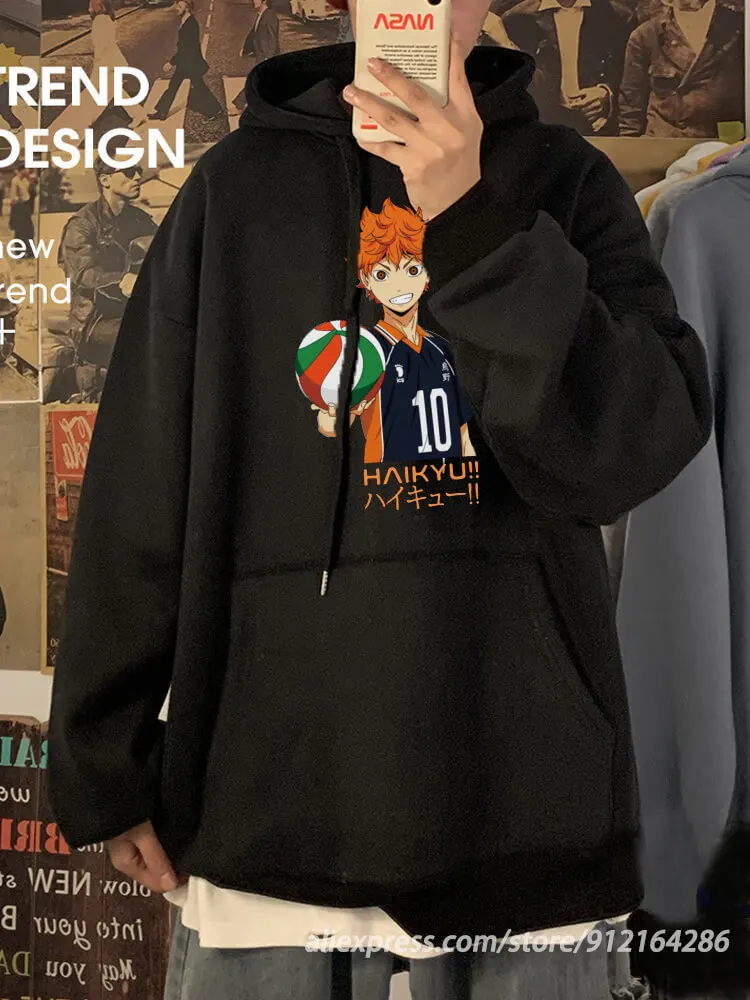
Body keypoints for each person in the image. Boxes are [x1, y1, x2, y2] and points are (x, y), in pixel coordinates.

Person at [47, 0, 712, 996]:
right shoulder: (236, 189)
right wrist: (104, 752)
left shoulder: (568, 180)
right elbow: (143, 476)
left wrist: (470, 219)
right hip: (272, 800)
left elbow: (631, 449)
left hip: (525, 804)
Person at [311, 198, 475, 463]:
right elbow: (334, 425)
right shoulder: (367, 350)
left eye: (412, 269)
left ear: (427, 273)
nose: (399, 285)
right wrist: (329, 416)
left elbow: (463, 435)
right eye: (382, 274)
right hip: (391, 482)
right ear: (366, 280)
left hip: (450, 480)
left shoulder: (442, 348)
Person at [44, 159, 156, 401]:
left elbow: (165, 253)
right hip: (94, 319)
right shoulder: (82, 224)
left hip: (134, 309)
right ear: (105, 180)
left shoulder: (140, 220)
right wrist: (122, 280)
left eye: (138, 171)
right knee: (147, 336)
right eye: (129, 172)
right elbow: (83, 274)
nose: (137, 177)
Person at [499, 0, 635, 134]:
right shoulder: (517, 19)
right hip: (543, 129)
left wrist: (606, 92)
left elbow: (629, 76)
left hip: (599, 129)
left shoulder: (618, 16)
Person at [618, 0, 744, 137]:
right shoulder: (645, 35)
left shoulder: (741, 28)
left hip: (723, 144)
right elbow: (631, 113)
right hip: (664, 143)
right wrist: (630, 147)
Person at [149, 0, 222, 122]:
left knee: (199, 88)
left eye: (180, 6)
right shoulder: (186, 21)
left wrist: (171, 62)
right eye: (177, 5)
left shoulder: (190, 24)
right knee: (173, 86)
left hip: (191, 64)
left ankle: (215, 110)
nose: (176, 8)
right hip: (186, 63)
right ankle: (161, 112)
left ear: (187, 8)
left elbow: (185, 48)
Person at [233, 0, 281, 114]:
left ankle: (239, 105)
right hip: (262, 55)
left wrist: (267, 58)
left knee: (255, 81)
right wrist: (246, 50)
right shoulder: (261, 15)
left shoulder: (270, 16)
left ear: (264, 1)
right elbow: (254, 34)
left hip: (266, 56)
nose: (253, 1)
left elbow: (272, 39)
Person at [8, 168, 34, 257]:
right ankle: (20, 251)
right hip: (19, 207)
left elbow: (30, 193)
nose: (28, 171)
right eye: (26, 169)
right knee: (20, 230)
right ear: (22, 170)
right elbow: (13, 197)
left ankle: (28, 250)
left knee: (28, 230)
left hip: (25, 206)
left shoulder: (25, 180)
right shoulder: (15, 181)